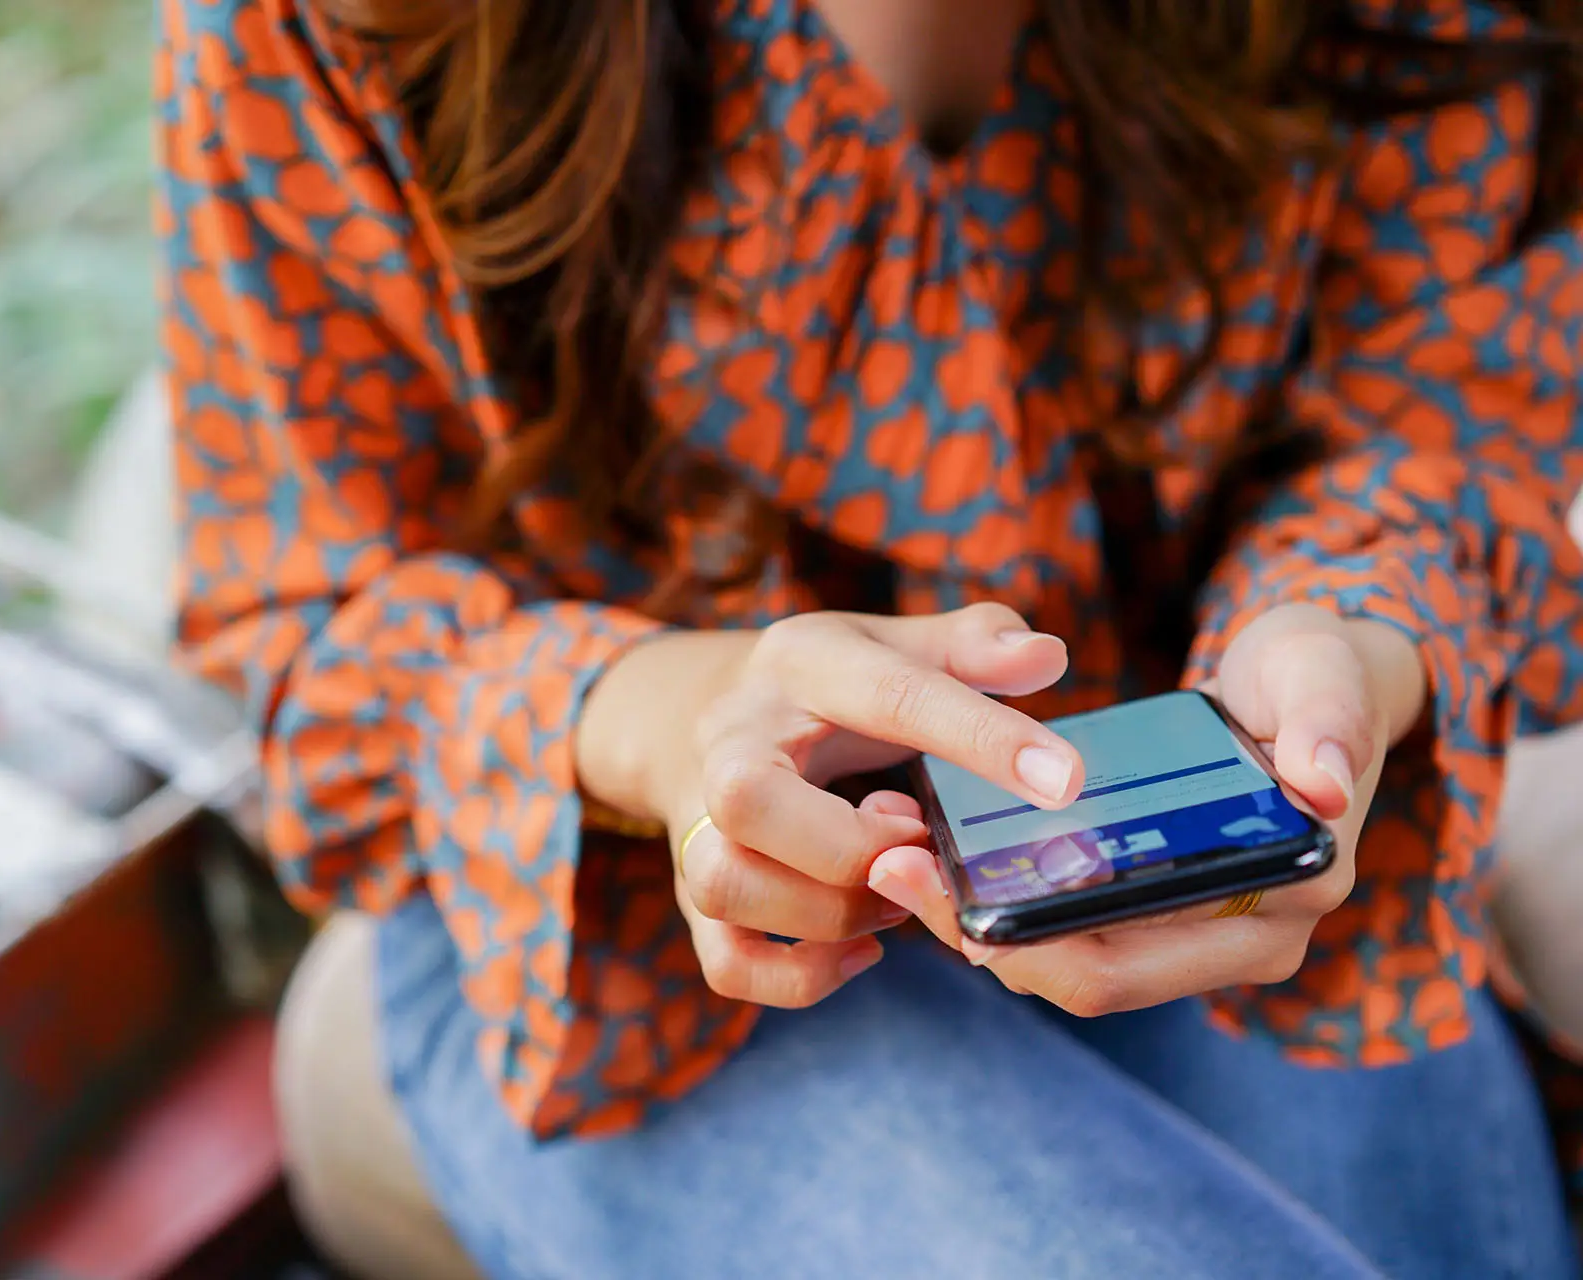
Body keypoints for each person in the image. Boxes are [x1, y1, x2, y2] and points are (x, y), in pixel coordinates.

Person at [158, 0, 1583, 1274]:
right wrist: (677, 722)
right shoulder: (329, 30)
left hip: (1174, 788)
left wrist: (1350, 633)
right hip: (598, 919)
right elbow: (314, 639)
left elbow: (1445, 411)